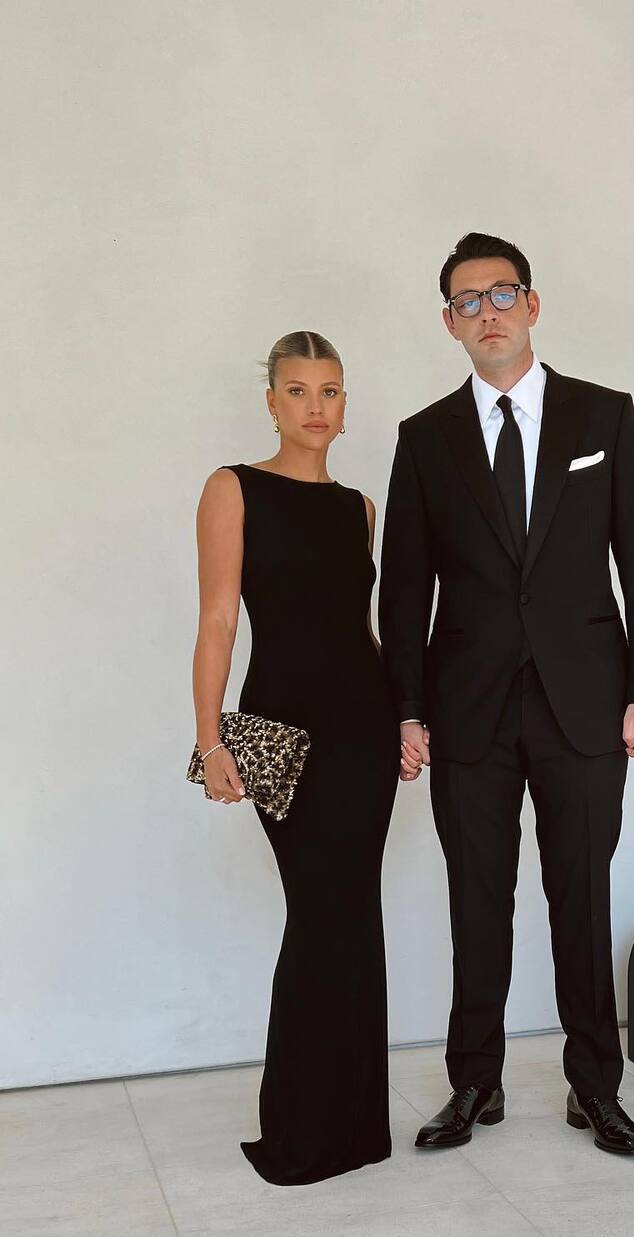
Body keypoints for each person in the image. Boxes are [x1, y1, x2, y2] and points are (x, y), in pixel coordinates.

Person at [381, 233, 634, 1156]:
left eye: (502, 293)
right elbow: (404, 588)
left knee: (581, 898)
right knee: (478, 900)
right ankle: (476, 1081)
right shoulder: (425, 438)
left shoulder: (603, 416)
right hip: (466, 706)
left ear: (533, 304)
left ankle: (595, 1086)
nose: (488, 313)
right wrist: (406, 706)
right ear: (450, 323)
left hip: (585, 700)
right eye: (467, 301)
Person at [191, 331, 408, 1184]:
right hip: (282, 736)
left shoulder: (360, 509)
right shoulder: (232, 488)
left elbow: (363, 632)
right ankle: (301, 1131)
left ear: (344, 404)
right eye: (297, 390)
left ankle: (354, 1129)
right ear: (272, 402)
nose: (315, 407)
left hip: (363, 732)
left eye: (330, 390)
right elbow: (218, 621)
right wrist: (210, 737)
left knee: (353, 914)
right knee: (319, 914)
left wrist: (403, 720)